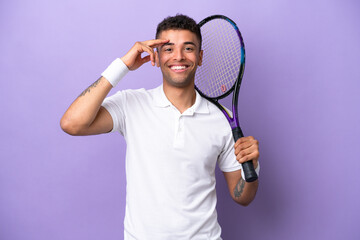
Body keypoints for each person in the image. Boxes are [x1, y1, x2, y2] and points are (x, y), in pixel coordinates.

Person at [60, 14, 260, 240]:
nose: (178, 57)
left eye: (188, 48)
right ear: (156, 55)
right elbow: (71, 123)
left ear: (200, 56)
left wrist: (251, 170)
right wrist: (123, 65)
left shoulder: (222, 119)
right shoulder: (131, 104)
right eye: (168, 49)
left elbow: (242, 197)